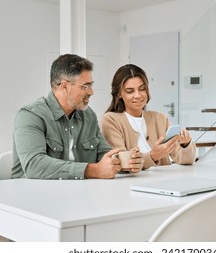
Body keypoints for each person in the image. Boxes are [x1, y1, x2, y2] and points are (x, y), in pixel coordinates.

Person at [12, 54, 143, 179]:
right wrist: (91, 170)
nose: (91, 92)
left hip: (77, 195)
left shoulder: (88, 115)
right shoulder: (30, 116)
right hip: (32, 197)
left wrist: (126, 160)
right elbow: (34, 165)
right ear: (65, 86)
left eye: (91, 85)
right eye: (85, 86)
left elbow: (104, 154)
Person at [101, 64, 196, 170]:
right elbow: (122, 163)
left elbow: (186, 160)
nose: (138, 95)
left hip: (163, 182)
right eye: (130, 91)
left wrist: (186, 144)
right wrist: (153, 156)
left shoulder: (160, 118)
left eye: (142, 89)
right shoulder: (111, 120)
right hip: (132, 184)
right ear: (119, 94)